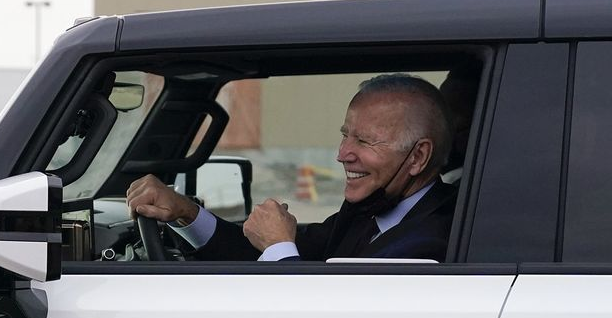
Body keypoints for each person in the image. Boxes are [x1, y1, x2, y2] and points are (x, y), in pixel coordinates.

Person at [126, 74, 456, 262]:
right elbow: (254, 249)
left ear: (417, 157)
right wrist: (186, 212)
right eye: (345, 137)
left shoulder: (434, 239)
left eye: (365, 141)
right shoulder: (371, 210)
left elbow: (322, 317)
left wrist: (278, 247)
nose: (342, 155)